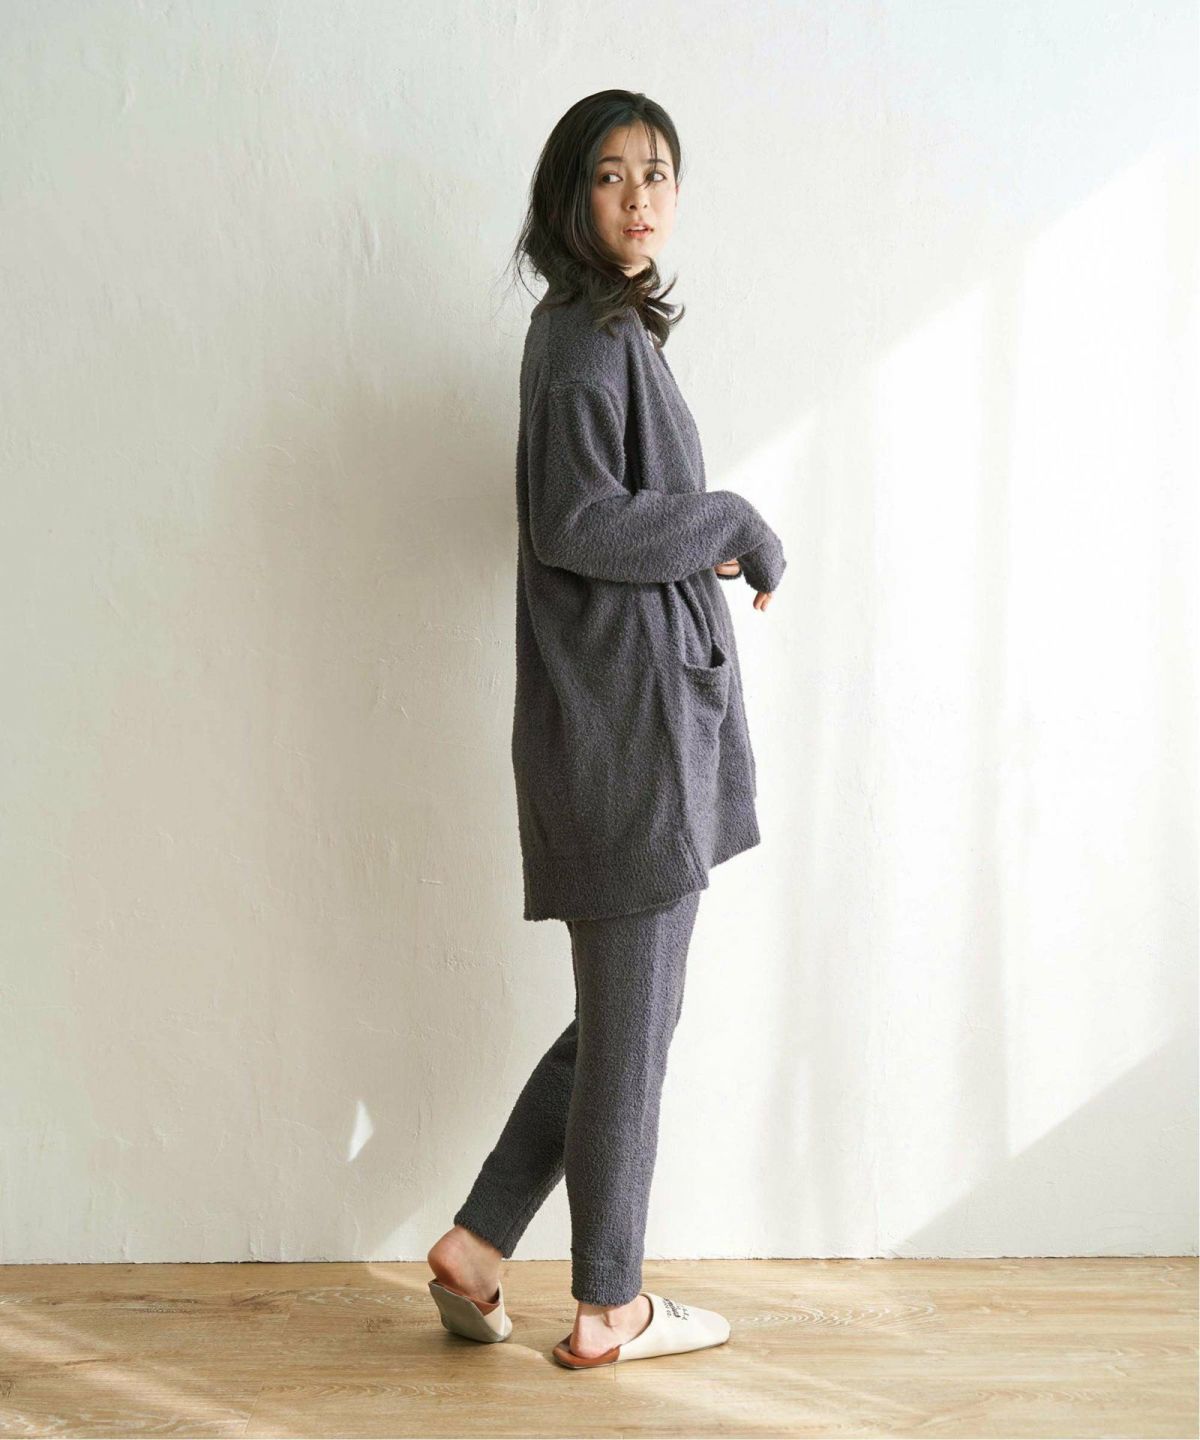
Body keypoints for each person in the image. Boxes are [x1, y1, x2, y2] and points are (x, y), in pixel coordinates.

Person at [427, 90, 787, 1369]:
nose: (640, 196)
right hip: (624, 737)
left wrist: (704, 532)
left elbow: (605, 517)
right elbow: (579, 521)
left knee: (624, 1019)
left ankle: (479, 1243)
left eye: (658, 172)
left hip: (629, 725)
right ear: (569, 197)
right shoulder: (586, 337)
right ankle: (608, 1304)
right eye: (610, 174)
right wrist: (730, 516)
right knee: (632, 1030)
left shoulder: (607, 330)